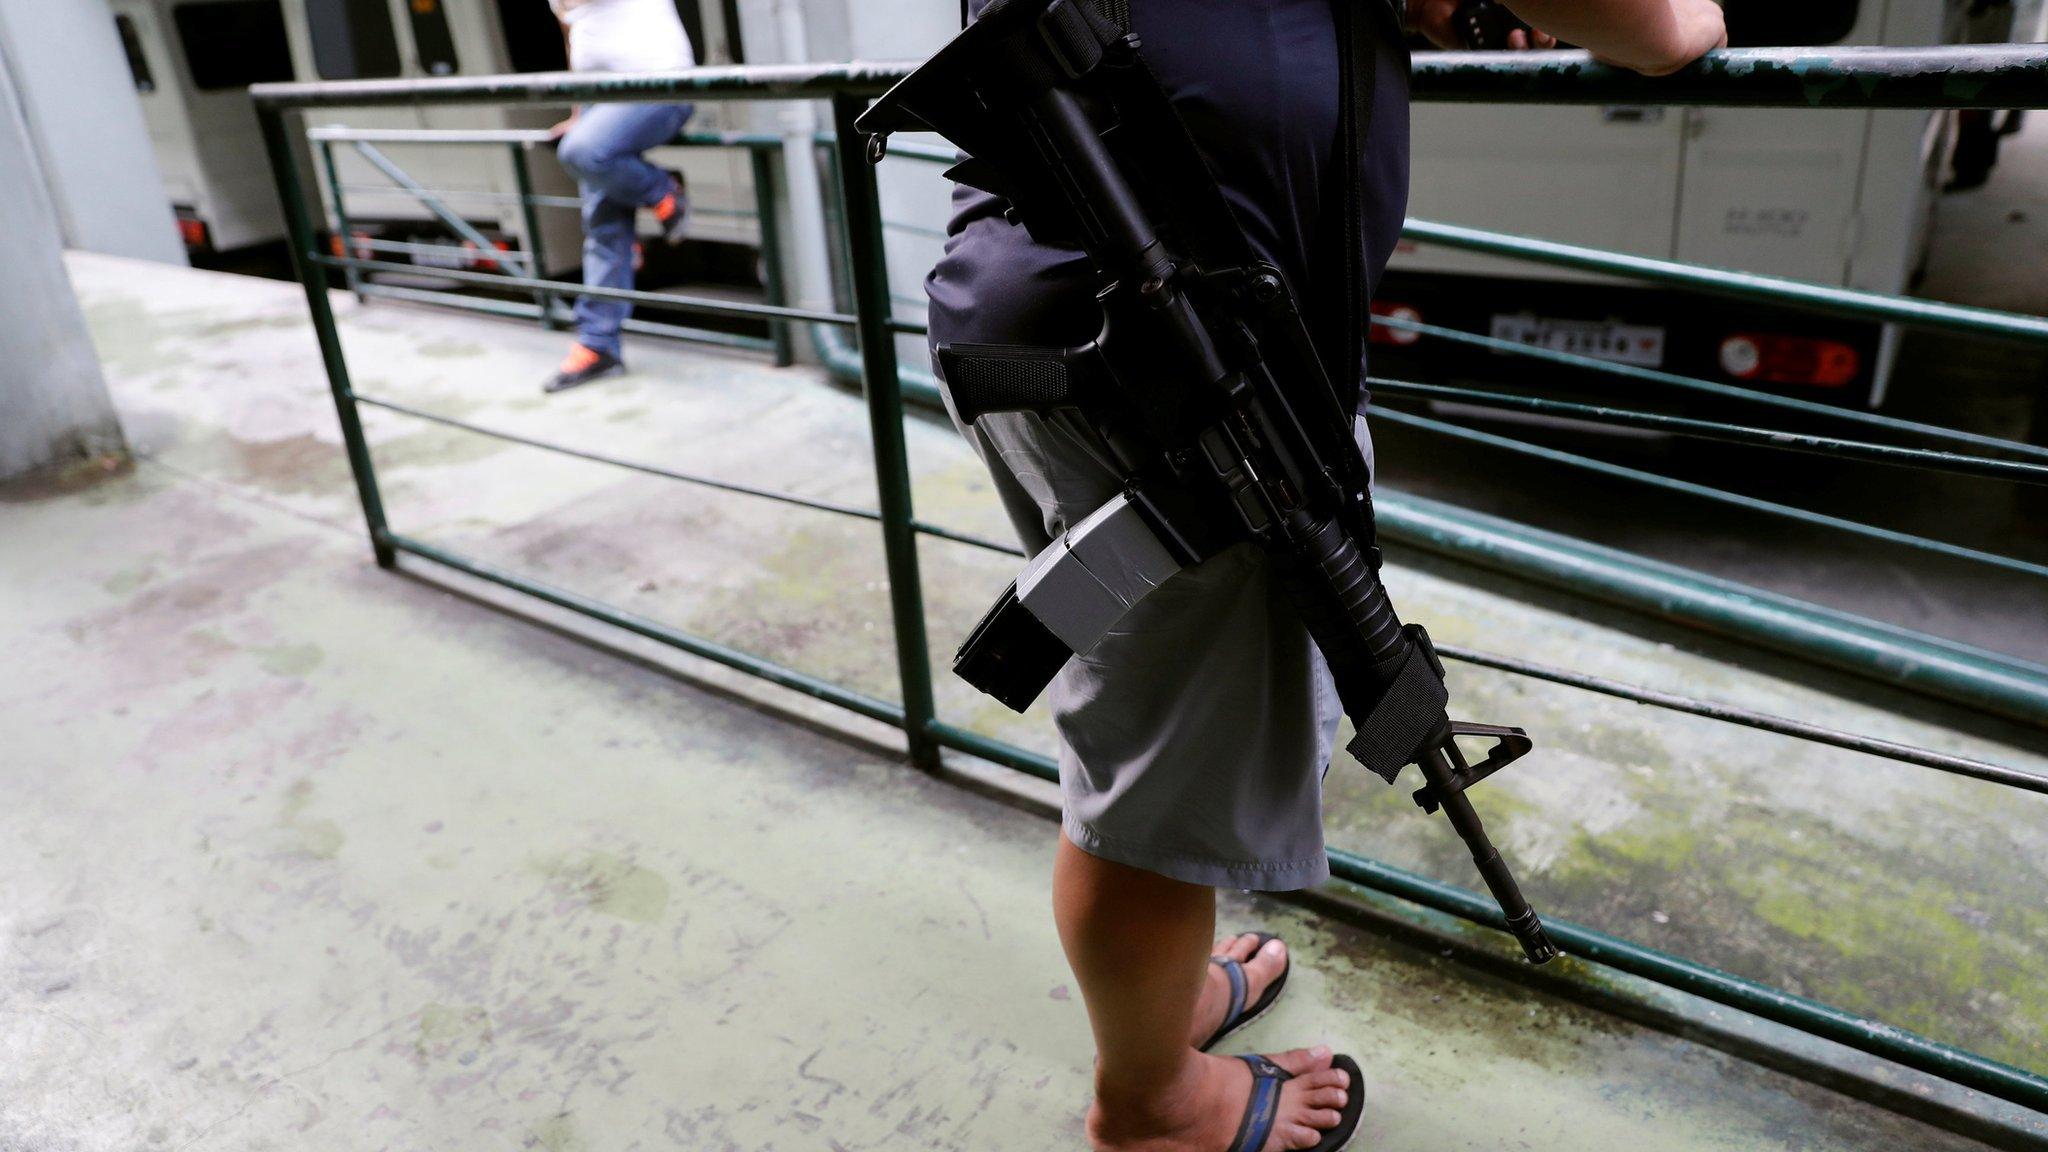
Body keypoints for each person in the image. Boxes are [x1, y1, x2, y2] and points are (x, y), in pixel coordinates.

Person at [922, 2, 1726, 1149]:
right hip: (1181, 364)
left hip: (1068, 302)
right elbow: (1649, 25)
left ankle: (1156, 1003)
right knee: (1154, 785)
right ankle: (1149, 1105)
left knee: (1146, 727)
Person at [542, 0, 697, 393]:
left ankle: (660, 189)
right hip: (602, 98)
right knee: (602, 226)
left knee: (582, 152)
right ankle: (599, 345)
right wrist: (580, 113)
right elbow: (574, 35)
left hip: (659, 82)